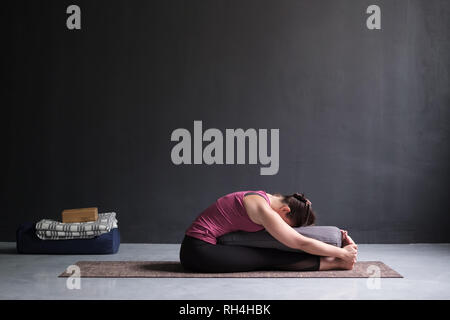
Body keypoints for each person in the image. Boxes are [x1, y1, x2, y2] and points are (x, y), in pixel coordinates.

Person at [180, 190, 358, 273]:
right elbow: (300, 242)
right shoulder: (263, 210)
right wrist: (342, 253)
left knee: (269, 250)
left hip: (204, 246)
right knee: (267, 257)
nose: (285, 228)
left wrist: (329, 235)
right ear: (286, 211)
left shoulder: (263, 197)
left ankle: (333, 260)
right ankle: (335, 264)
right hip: (197, 251)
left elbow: (301, 236)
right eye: (288, 225)